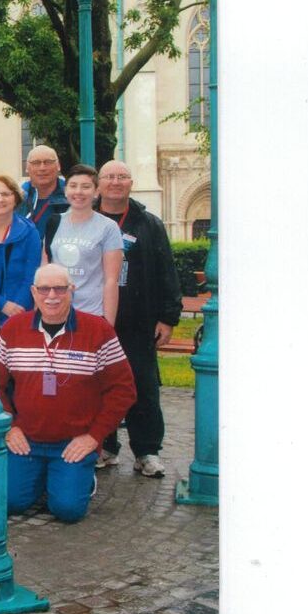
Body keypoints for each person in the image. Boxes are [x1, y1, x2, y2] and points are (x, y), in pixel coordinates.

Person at [0, 264, 136, 522]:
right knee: (11, 502)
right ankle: (48, 478)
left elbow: (123, 390)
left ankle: (78, 478)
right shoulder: (12, 329)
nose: (52, 295)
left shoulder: (99, 330)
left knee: (68, 510)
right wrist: (10, 427)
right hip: (26, 439)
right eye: (44, 289)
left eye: (60, 288)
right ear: (33, 292)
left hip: (74, 442)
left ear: (72, 290)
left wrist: (93, 438)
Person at [94, 160, 183, 477]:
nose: (115, 182)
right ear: (99, 183)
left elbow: (166, 272)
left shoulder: (149, 223)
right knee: (96, 385)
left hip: (139, 321)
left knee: (143, 386)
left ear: (130, 183)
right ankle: (103, 447)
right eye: (109, 177)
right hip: (98, 320)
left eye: (122, 177)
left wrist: (168, 317)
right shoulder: (85, 219)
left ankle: (147, 450)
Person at [44, 164, 124, 324]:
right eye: (73, 186)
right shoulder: (54, 222)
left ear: (96, 192)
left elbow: (111, 281)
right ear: (66, 190)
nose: (78, 192)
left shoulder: (108, 227)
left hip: (91, 314)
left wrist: (108, 325)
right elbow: (44, 271)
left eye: (86, 187)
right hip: (56, 313)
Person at [0, 175, 43, 329]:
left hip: (18, 311)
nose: (0, 199)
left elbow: (31, 276)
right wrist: (1, 304)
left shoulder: (29, 232)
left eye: (6, 194)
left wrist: (16, 308)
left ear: (15, 198)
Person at [20, 145, 69, 238]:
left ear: (58, 166)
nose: (42, 168)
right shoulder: (16, 200)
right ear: (27, 168)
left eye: (48, 162)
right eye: (36, 163)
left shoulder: (72, 198)